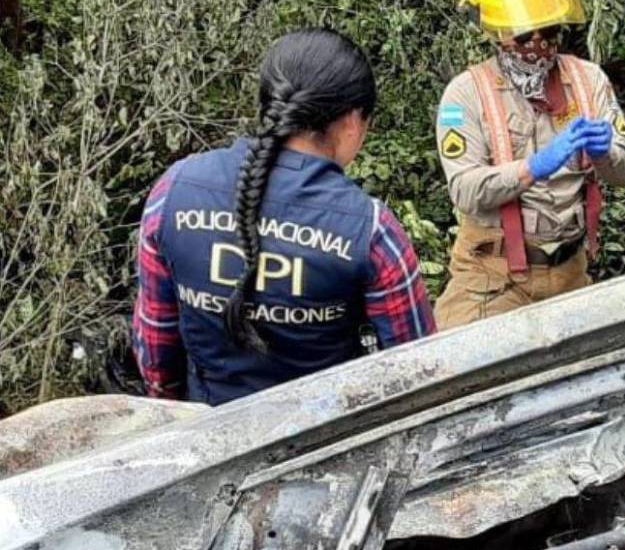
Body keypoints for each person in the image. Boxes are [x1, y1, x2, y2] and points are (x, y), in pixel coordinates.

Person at [132, 28, 435, 405]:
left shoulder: (173, 191)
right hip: (325, 442)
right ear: (353, 122)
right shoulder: (370, 231)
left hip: (204, 434)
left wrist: (176, 419)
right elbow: (416, 368)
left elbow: (157, 351)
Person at [434, 0, 625, 329]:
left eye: (549, 30)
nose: (539, 45)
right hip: (491, 278)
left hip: (570, 272)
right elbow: (465, 189)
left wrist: (606, 152)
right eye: (526, 36)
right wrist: (532, 168)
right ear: (497, 32)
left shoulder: (588, 79)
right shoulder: (465, 94)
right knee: (458, 372)